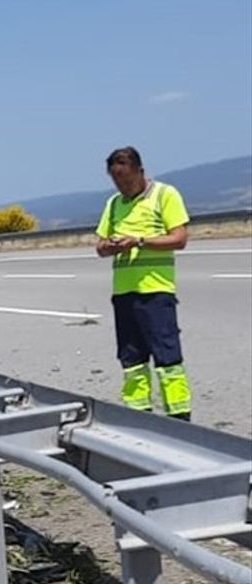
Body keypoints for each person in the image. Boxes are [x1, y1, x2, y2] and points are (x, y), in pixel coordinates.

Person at [95, 146, 192, 421]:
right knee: (132, 361)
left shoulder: (164, 195)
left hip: (156, 291)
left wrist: (139, 241)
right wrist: (110, 246)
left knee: (167, 359)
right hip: (124, 293)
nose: (123, 186)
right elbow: (99, 246)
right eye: (117, 181)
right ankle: (138, 415)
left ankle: (180, 418)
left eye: (127, 180)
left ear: (140, 171)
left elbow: (180, 238)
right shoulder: (114, 203)